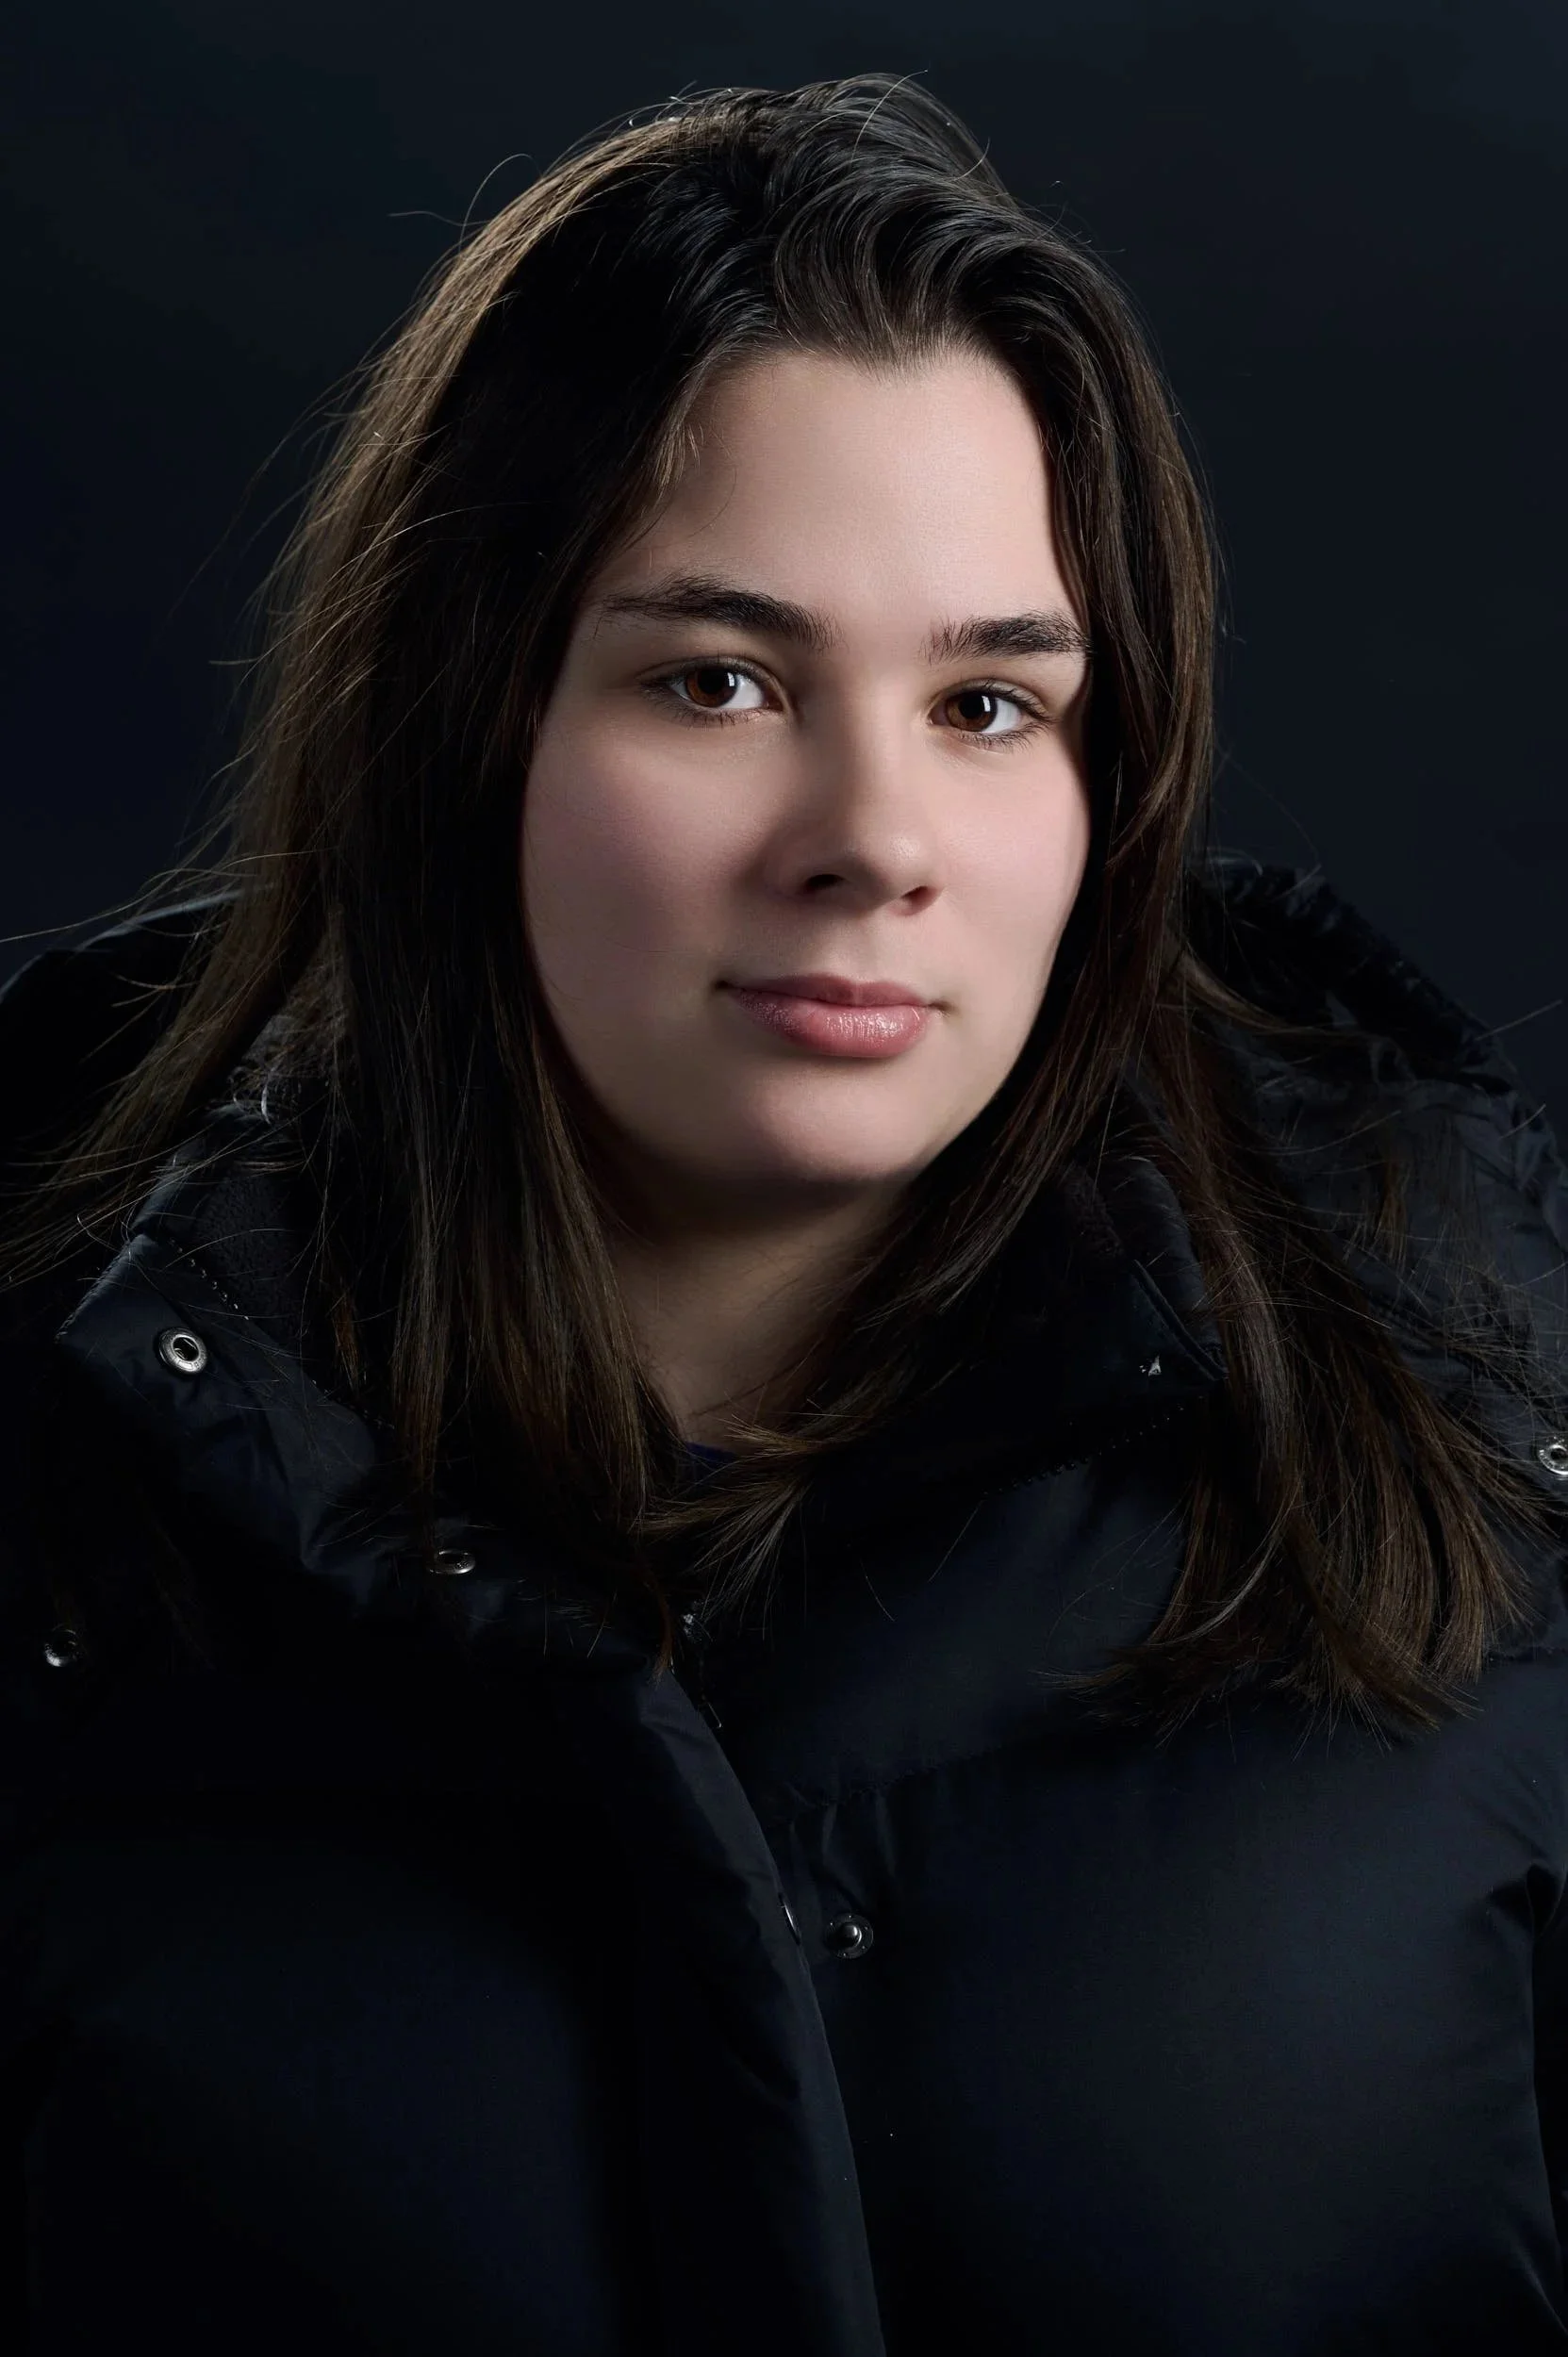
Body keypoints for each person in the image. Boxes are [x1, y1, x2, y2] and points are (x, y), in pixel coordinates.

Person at [2, 73, 1567, 2357]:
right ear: (464, 721)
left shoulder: (1478, 1437)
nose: (875, 832)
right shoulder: (55, 1466)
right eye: (719, 681)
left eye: (990, 702)